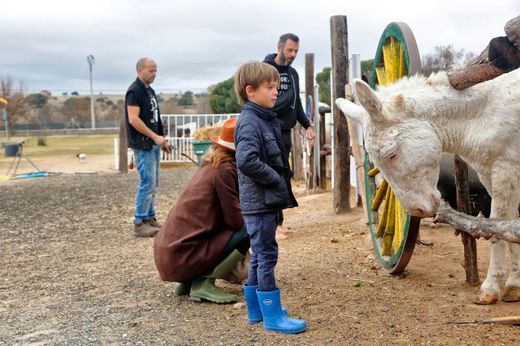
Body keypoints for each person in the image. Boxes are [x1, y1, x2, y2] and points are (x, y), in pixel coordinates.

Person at [234, 61, 307, 334]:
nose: (276, 92)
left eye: (276, 86)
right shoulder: (251, 122)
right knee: (266, 255)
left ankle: (257, 310)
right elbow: (246, 160)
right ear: (250, 90)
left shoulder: (260, 117)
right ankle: (273, 316)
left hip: (261, 201)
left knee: (259, 255)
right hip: (260, 201)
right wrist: (275, 179)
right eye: (270, 87)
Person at [153, 118, 250, 303]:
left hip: (170, 254)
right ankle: (203, 282)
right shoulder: (225, 170)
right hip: (183, 257)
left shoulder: (209, 163)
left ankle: (188, 282)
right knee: (250, 227)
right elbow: (235, 221)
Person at [264, 33, 315, 236]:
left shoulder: (293, 74)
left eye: (296, 51)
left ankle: (279, 222)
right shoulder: (265, 70)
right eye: (289, 50)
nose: (293, 54)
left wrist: (307, 124)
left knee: (283, 174)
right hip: (268, 129)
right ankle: (272, 224)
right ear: (279, 47)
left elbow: (297, 104)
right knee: (271, 174)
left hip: (285, 131)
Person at [125, 57, 171, 238]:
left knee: (154, 183)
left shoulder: (149, 91)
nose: (154, 74)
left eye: (155, 71)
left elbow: (154, 118)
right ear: (139, 70)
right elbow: (133, 118)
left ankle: (150, 218)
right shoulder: (134, 91)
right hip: (143, 144)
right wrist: (154, 137)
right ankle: (139, 221)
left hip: (153, 143)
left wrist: (162, 139)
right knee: (147, 182)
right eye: (151, 71)